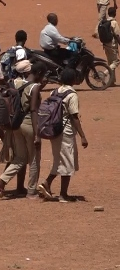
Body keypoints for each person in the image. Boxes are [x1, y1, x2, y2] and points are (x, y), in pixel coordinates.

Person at [0, 60, 47, 199]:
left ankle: (2, 180)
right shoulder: (34, 87)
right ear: (39, 73)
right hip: (29, 124)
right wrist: (38, 134)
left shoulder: (16, 82)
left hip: (16, 125)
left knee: (20, 157)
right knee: (34, 159)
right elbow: (34, 110)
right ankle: (31, 191)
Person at [37, 68, 89, 202]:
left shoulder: (54, 91)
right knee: (67, 162)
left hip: (54, 130)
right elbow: (74, 117)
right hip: (66, 132)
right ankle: (63, 195)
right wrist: (82, 136)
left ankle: (46, 184)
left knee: (58, 160)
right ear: (73, 80)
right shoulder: (72, 95)